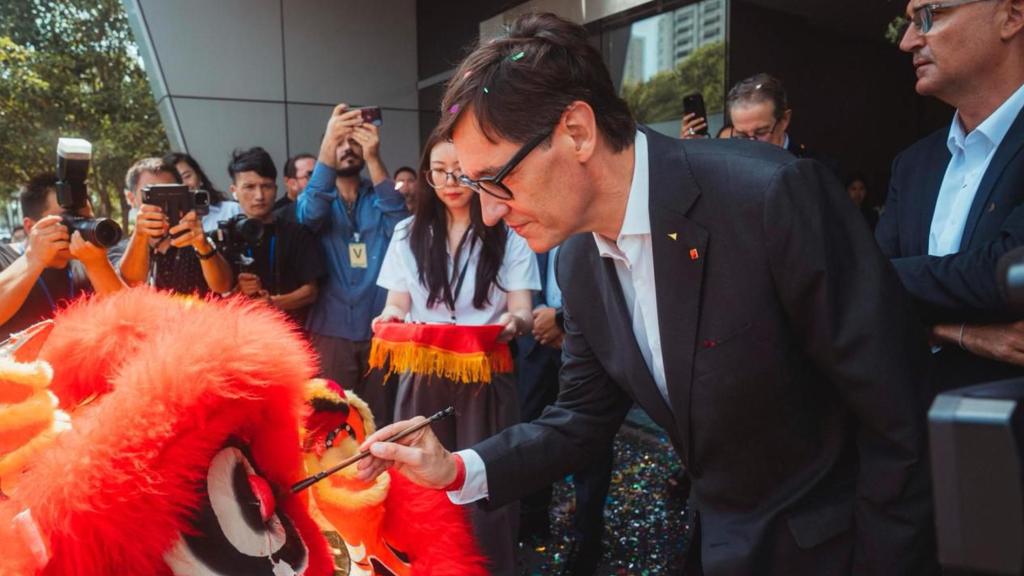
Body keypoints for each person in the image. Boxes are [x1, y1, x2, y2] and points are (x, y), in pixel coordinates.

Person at [355, 13, 936, 576]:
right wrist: (456, 468)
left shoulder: (768, 196)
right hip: (715, 543)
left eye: (497, 181)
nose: (488, 211)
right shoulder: (580, 259)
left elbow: (896, 417)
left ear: (577, 132)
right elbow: (581, 416)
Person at [372, 131, 539, 575]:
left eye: (460, 171)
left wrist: (515, 324)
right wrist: (388, 317)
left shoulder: (508, 229)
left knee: (490, 477)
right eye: (440, 171)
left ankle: (491, 567)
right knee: (417, 478)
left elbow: (522, 309)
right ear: (427, 176)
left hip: (485, 368)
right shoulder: (407, 232)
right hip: (424, 368)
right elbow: (397, 302)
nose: (450, 181)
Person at [877, 0, 1024, 389]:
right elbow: (865, 301)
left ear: (1011, 16)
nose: (908, 41)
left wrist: (872, 276)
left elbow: (1007, 272)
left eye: (929, 16)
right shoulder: (912, 164)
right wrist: (960, 333)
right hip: (914, 416)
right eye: (910, 22)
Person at [297, 104, 409, 425]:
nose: (348, 148)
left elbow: (403, 226)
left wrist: (374, 158)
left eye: (355, 141)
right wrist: (327, 146)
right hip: (330, 330)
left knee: (381, 420)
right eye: (340, 142)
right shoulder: (319, 198)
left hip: (379, 328)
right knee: (330, 420)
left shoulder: (380, 197)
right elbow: (309, 215)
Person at [515, 245, 615, 576]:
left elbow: (609, 286)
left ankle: (588, 537)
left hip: (590, 345)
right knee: (531, 431)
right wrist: (537, 317)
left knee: (592, 441)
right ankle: (533, 517)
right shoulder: (522, 224)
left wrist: (560, 319)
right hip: (535, 345)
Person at [0, 173, 123, 338]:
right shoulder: (4, 258)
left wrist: (99, 266)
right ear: (30, 227)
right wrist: (34, 259)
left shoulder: (90, 260)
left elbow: (129, 319)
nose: (79, 229)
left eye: (86, 220)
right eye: (69, 221)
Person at [225, 147, 326, 326]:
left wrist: (271, 303)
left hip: (291, 333)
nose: (259, 196)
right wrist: (238, 292)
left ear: (276, 188)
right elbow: (216, 295)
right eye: (249, 187)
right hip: (239, 332)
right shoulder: (225, 235)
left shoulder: (297, 233)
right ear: (234, 191)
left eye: (266, 186)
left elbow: (311, 292)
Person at [115, 157, 234, 295]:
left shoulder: (198, 241)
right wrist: (140, 235)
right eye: (151, 195)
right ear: (131, 199)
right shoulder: (121, 250)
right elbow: (128, 286)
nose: (161, 203)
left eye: (169, 193)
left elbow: (224, 286)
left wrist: (203, 246)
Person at [163, 152, 242, 232]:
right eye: (177, 181)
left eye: (187, 176)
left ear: (199, 177)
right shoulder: (165, 227)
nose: (184, 185)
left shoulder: (231, 210)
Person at [274, 153, 316, 222]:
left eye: (318, 175)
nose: (317, 180)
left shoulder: (331, 208)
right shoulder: (279, 217)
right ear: (292, 183)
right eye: (309, 176)